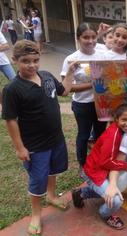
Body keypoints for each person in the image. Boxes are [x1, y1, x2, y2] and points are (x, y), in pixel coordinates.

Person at [1, 40, 77, 236]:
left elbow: (65, 91)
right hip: (35, 146)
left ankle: (51, 196)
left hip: (56, 138)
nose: (32, 65)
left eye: (36, 60)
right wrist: (19, 148)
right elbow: (10, 120)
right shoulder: (12, 90)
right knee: (37, 180)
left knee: (53, 170)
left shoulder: (47, 76)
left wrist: (69, 73)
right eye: (26, 61)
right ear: (15, 60)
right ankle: (36, 214)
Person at [72, 104, 127, 230]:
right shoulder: (114, 135)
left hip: (100, 170)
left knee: (115, 188)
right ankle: (106, 214)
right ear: (116, 119)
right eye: (124, 120)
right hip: (93, 173)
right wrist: (125, 165)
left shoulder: (119, 131)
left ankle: (81, 193)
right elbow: (105, 162)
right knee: (116, 200)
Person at [61, 23, 107, 167]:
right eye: (86, 37)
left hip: (101, 104)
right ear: (78, 38)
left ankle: (99, 161)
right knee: (84, 135)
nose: (90, 41)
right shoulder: (71, 59)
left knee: (100, 135)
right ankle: (83, 164)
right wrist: (93, 84)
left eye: (93, 37)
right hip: (82, 105)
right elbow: (66, 88)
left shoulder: (103, 54)